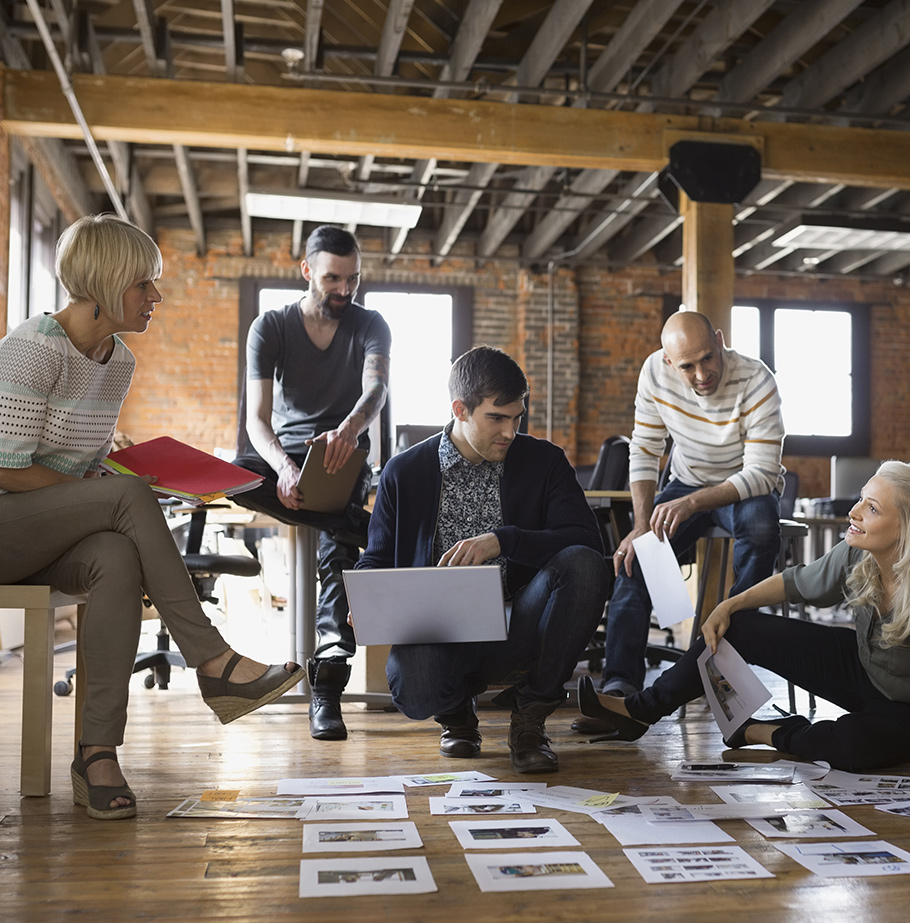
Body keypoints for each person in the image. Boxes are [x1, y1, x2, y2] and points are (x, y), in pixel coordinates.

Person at [0, 214, 304, 821]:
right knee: (127, 499)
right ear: (108, 283)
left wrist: (111, 470)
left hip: (57, 531)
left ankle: (98, 753)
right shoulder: (31, 350)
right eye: (145, 285)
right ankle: (213, 661)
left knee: (116, 556)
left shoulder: (118, 363)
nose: (155, 298)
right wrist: (108, 492)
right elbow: (7, 469)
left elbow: (78, 463)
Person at [578, 461, 910, 801]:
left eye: (871, 508)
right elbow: (794, 582)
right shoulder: (858, 552)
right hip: (865, 667)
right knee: (739, 627)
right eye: (861, 499)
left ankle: (765, 732)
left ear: (909, 528)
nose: (854, 512)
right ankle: (640, 711)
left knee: (852, 748)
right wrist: (731, 605)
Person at [355, 346, 609, 774]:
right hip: (440, 628)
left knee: (584, 565)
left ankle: (529, 722)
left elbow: (585, 541)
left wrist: (503, 540)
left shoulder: (544, 461)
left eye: (517, 417)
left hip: (522, 619)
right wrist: (360, 597)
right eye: (497, 418)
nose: (510, 431)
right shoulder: (405, 472)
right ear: (460, 409)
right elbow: (377, 557)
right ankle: (457, 718)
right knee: (413, 685)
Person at [575, 309, 784, 733]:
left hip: (746, 485)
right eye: (687, 366)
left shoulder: (758, 379)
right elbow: (645, 449)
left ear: (721, 340)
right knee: (638, 554)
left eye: (708, 358)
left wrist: (691, 505)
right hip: (685, 481)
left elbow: (762, 471)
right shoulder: (655, 372)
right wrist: (639, 526)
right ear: (670, 362)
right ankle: (621, 692)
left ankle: (729, 662)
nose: (701, 373)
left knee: (763, 530)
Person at [230, 225, 390, 741]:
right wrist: (281, 466)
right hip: (281, 456)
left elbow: (376, 390)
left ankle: (327, 689)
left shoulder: (371, 324)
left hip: (341, 453)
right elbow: (257, 419)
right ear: (306, 272)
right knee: (233, 478)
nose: (345, 290)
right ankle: (359, 526)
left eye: (353, 279)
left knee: (334, 559)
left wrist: (347, 430)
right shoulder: (270, 327)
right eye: (332, 279)